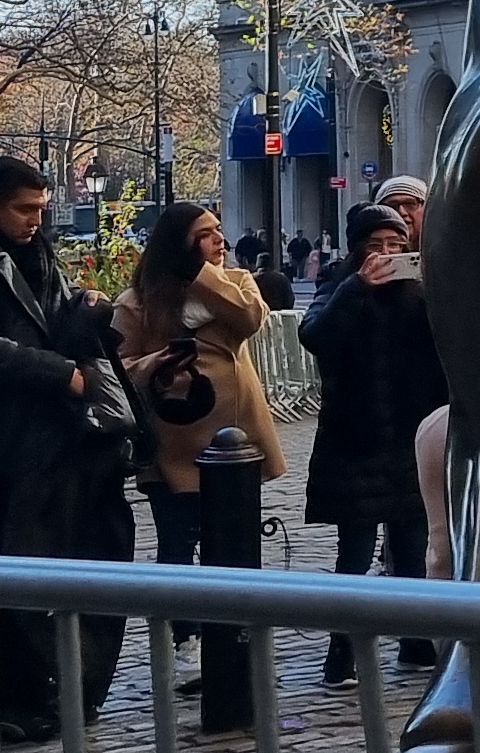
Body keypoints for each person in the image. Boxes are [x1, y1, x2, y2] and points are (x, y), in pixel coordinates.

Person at [0, 157, 133, 740]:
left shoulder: (37, 254)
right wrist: (63, 374)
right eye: (24, 209)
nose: (35, 220)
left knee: (52, 571)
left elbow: (52, 320)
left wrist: (88, 309)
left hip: (56, 441)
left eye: (41, 208)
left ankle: (46, 691)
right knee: (2, 576)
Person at [298, 201, 440, 681]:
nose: (387, 253)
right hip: (355, 443)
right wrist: (358, 286)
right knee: (354, 556)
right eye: (376, 245)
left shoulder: (420, 293)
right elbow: (316, 335)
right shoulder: (338, 287)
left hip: (408, 441)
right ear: (358, 250)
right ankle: (342, 653)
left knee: (413, 551)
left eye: (396, 245)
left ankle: (417, 641)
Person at [111, 200, 284, 567]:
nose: (220, 240)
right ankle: (180, 607)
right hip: (174, 439)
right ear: (179, 244)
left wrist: (202, 275)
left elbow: (250, 319)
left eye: (218, 230)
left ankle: (234, 605)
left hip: (234, 439)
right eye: (205, 235)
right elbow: (118, 368)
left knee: (236, 549)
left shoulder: (236, 283)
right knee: (176, 545)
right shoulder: (138, 302)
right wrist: (157, 362)